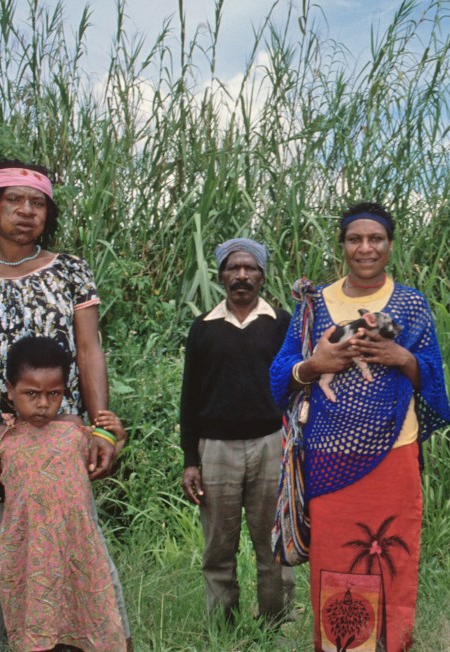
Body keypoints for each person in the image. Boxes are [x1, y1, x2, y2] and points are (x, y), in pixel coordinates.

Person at [0, 160, 127, 650]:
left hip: (53, 453)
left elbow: (89, 351)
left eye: (37, 203)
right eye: (14, 201)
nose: (26, 212)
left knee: (65, 560)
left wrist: (101, 427)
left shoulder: (70, 271)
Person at [269, 202, 450, 652]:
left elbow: (434, 377)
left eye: (376, 239)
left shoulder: (410, 304)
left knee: (394, 558)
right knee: (337, 562)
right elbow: (280, 375)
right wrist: (315, 365)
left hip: (395, 455)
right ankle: (343, 646)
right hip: (330, 458)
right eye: (355, 239)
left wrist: (402, 359)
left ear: (390, 245)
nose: (365, 248)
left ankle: (392, 645)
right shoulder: (315, 305)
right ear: (343, 245)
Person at [0, 336, 127, 651]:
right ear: (9, 389)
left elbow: (102, 469)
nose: (43, 405)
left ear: (64, 391)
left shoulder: (74, 430)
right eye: (31, 394)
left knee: (89, 622)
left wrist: (117, 440)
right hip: (28, 555)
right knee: (38, 631)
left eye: (54, 394)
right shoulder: (0, 440)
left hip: (77, 551)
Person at [179, 238, 295, 625]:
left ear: (262, 276)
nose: (242, 275)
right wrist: (190, 460)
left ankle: (275, 627)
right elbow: (190, 395)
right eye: (233, 268)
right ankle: (223, 629)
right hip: (215, 451)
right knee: (218, 548)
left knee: (274, 544)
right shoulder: (204, 328)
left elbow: (298, 386)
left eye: (250, 268)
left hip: (270, 445)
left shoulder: (281, 323)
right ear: (221, 275)